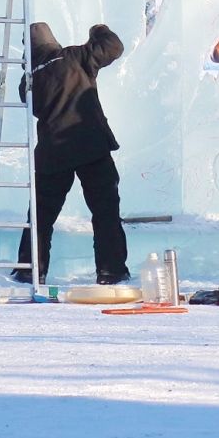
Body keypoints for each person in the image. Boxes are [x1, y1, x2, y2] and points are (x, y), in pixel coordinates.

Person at [15, 21, 129, 285]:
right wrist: (97, 30)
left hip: (53, 151)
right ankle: (110, 270)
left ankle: (29, 268)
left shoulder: (29, 78)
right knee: (105, 211)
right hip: (91, 146)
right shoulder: (75, 56)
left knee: (41, 215)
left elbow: (29, 102)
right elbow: (114, 47)